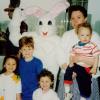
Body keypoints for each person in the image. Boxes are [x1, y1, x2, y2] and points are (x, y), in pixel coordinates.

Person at [64, 22, 100, 100]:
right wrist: (71, 63)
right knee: (68, 70)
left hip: (85, 68)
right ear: (78, 35)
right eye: (82, 35)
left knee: (84, 84)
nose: (85, 37)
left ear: (91, 36)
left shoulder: (92, 46)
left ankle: (83, 97)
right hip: (76, 65)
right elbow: (72, 55)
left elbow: (96, 57)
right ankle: (67, 92)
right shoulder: (75, 46)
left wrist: (94, 67)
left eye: (87, 35)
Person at [18, 36, 43, 100]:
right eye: (24, 49)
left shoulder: (38, 62)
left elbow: (41, 79)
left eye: (29, 49)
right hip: (22, 93)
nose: (27, 52)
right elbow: (16, 77)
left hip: (35, 94)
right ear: (21, 50)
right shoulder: (19, 63)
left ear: (33, 49)